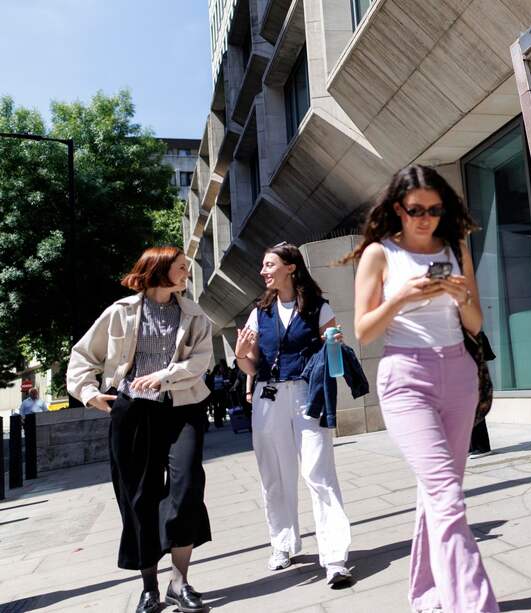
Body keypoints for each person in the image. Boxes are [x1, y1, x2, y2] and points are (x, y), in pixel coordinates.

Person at [348, 165, 498, 612]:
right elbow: (364, 331)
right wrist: (401, 298)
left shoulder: (456, 249)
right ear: (398, 208)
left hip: (458, 376)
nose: (425, 218)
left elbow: (475, 324)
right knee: (447, 497)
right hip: (405, 379)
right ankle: (475, 604)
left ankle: (427, 593)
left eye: (434, 210)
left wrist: (461, 297)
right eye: (416, 210)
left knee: (437, 492)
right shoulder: (380, 254)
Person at [67, 246, 212, 613]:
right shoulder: (120, 313)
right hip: (132, 412)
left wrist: (165, 376)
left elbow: (200, 360)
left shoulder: (194, 315)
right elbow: (83, 356)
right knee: (138, 497)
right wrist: (89, 393)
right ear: (159, 269)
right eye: (180, 267)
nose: (186, 273)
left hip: (182, 406)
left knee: (187, 486)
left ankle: (179, 582)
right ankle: (150, 587)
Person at [233, 242, 353, 586]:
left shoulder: (319, 306)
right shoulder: (260, 312)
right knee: (275, 474)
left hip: (306, 394)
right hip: (268, 396)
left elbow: (335, 362)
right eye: (263, 265)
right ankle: (283, 544)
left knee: (318, 471)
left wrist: (335, 345)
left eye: (269, 264)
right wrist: (242, 355)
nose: (263, 271)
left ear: (291, 267)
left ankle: (334, 558)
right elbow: (250, 364)